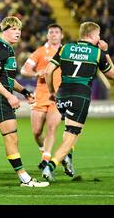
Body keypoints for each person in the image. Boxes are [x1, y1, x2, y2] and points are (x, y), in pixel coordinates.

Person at [0, 16, 49, 187]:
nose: (18, 33)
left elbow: (6, 78)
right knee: (11, 137)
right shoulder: (1, 48)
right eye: (13, 29)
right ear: (4, 31)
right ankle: (24, 178)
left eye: (19, 30)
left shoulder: (6, 48)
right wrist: (9, 96)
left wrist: (24, 91)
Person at [42, 21, 114, 181]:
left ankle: (67, 157)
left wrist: (52, 92)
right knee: (72, 135)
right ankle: (50, 165)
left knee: (68, 128)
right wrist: (106, 51)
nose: (99, 37)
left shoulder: (65, 48)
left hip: (62, 93)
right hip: (80, 95)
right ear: (91, 35)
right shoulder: (97, 53)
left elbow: (48, 71)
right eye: (98, 34)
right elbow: (112, 74)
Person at [20, 24, 74, 175]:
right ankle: (47, 152)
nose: (54, 35)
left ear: (61, 36)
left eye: (57, 32)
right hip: (41, 95)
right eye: (51, 32)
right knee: (37, 132)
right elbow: (24, 70)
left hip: (58, 96)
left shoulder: (67, 51)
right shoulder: (40, 52)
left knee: (52, 128)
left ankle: (46, 159)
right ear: (47, 35)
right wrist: (36, 73)